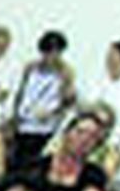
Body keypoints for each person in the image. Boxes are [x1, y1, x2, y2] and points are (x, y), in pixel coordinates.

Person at [9, 30, 77, 176]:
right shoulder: (30, 67)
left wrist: (52, 112)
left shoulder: (65, 72)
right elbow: (20, 93)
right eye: (48, 52)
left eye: (56, 53)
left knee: (32, 167)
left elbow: (68, 102)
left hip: (44, 127)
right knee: (15, 164)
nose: (52, 57)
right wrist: (15, 115)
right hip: (24, 123)